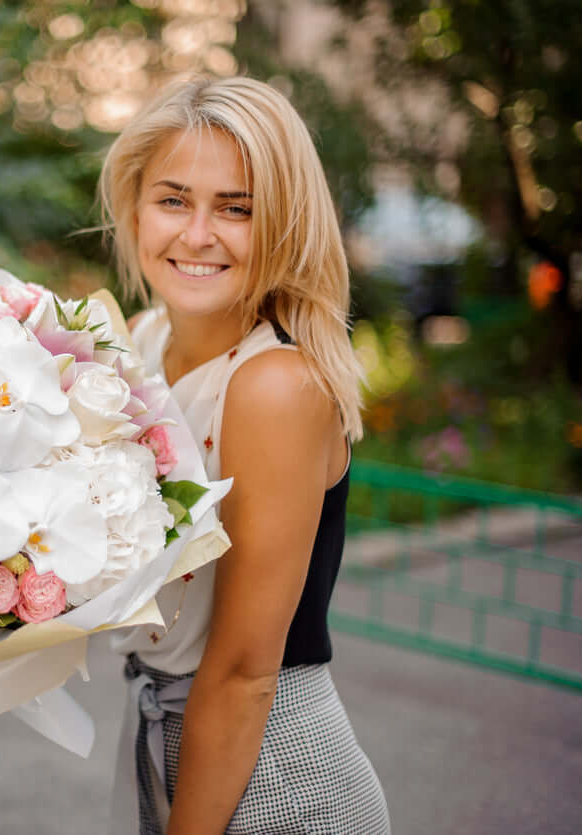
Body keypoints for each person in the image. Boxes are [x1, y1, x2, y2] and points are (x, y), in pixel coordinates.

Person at [99, 76, 390, 834]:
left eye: (236, 208)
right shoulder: (140, 343)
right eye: (173, 200)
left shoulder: (274, 385)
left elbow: (242, 673)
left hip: (276, 775)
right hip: (167, 738)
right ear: (134, 207)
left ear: (285, 226)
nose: (197, 235)